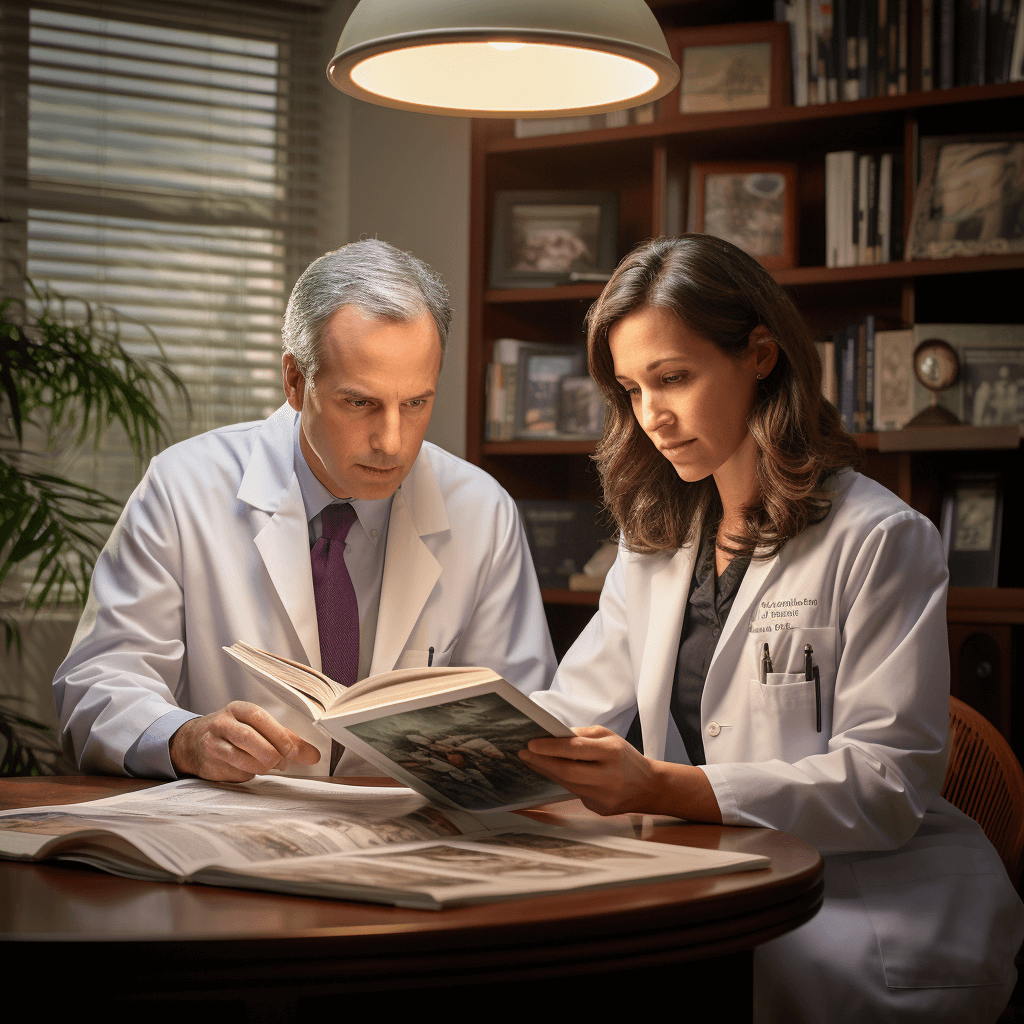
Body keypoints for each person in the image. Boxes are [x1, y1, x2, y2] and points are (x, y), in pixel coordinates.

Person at [521, 234, 1024, 1023]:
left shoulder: (881, 539)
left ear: (760, 354)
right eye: (630, 390)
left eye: (673, 378)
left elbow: (886, 784)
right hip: (708, 879)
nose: (652, 415)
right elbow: (572, 711)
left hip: (861, 906)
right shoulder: (656, 543)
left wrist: (663, 787)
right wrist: (448, 743)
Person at [54, 238, 556, 781]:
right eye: (360, 402)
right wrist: (183, 738)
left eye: (415, 403)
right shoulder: (183, 486)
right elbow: (100, 681)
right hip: (237, 833)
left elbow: (524, 716)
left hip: (412, 837)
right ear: (295, 381)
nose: (392, 442)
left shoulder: (484, 510)